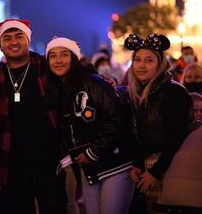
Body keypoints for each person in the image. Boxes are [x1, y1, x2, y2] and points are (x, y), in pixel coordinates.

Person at [45, 37, 136, 214]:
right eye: (52, 56)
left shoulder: (92, 81)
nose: (58, 60)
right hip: (89, 167)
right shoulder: (58, 89)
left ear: (74, 58)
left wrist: (93, 151)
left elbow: (117, 118)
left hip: (115, 162)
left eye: (64, 55)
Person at [0, 19, 67, 214]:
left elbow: (75, 73)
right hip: (12, 164)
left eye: (19, 37)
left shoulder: (47, 67)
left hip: (50, 161)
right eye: (7, 38)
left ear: (28, 40)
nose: (14, 42)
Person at [125, 34, 194, 214]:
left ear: (160, 64)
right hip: (147, 166)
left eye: (149, 60)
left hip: (169, 165)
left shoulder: (172, 91)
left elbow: (178, 137)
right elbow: (137, 133)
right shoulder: (135, 92)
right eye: (137, 60)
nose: (141, 65)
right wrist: (138, 163)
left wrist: (155, 171)